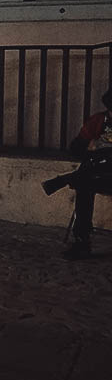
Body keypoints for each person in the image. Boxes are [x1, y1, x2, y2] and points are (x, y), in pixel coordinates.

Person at [61, 87, 112, 260]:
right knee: (83, 186)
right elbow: (75, 148)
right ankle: (82, 241)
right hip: (98, 174)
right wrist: (90, 149)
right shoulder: (97, 121)